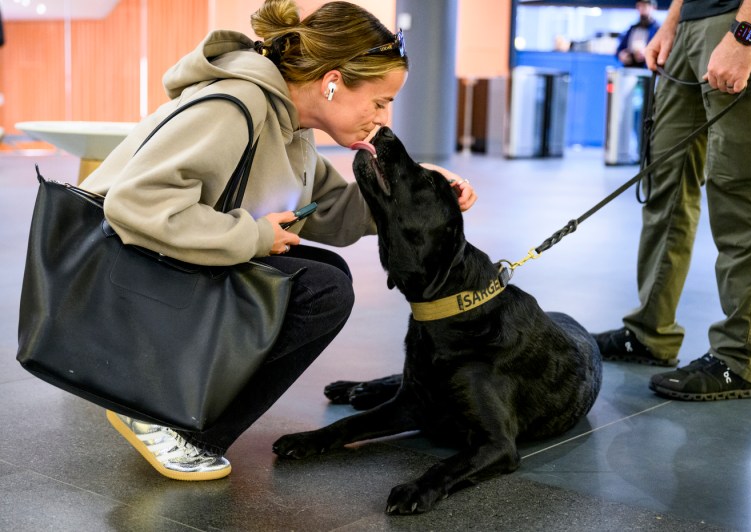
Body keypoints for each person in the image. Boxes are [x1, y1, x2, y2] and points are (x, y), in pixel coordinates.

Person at [80, 0, 476, 481]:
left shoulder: (290, 125)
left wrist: (419, 190)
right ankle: (162, 414)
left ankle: (180, 415)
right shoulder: (236, 107)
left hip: (162, 265)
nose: (384, 118)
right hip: (117, 274)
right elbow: (135, 204)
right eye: (379, 101)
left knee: (325, 276)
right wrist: (251, 236)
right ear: (332, 81)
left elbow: (329, 211)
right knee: (319, 289)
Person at [594, 0, 751, 401]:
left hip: (748, 20)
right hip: (692, 25)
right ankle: (650, 331)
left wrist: (746, 32)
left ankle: (739, 359)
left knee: (747, 187)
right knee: (665, 183)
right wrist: (673, 21)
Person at [616, 0, 660, 68]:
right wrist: (621, 54)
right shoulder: (632, 28)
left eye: (645, 6)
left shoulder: (658, 30)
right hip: (630, 68)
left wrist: (647, 54)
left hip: (648, 69)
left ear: (653, 7)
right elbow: (620, 49)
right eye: (639, 6)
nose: (642, 9)